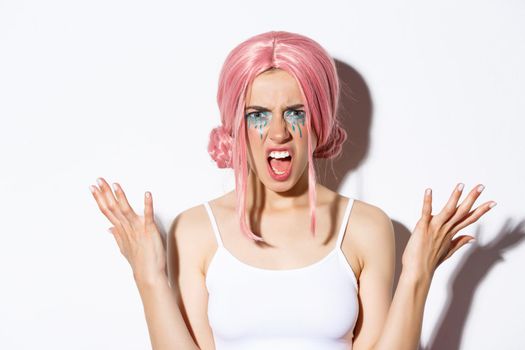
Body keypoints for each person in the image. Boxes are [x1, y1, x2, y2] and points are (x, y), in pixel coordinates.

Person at [89, 31, 496, 350]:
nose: (279, 133)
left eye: (296, 112)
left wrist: (418, 274)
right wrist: (149, 277)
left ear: (319, 121)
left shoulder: (366, 227)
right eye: (258, 115)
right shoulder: (194, 230)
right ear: (236, 126)